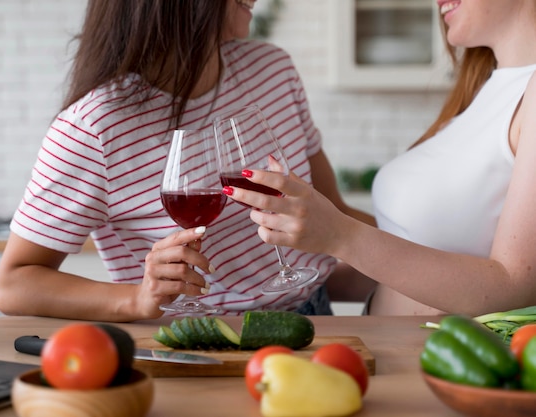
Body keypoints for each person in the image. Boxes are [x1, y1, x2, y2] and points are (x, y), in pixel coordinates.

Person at [0, 0, 373, 322]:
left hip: (315, 320)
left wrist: (423, 256)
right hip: (198, 342)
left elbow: (335, 215)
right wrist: (136, 299)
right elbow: (15, 284)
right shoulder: (94, 127)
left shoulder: (273, 70)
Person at [223, 0, 536, 316]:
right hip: (387, 355)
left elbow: (516, 286)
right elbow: (422, 266)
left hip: (433, 361)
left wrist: (341, 236)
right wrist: (250, 282)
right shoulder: (488, 88)